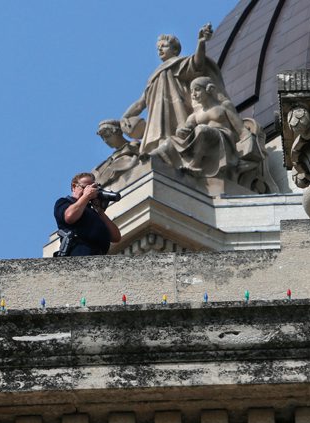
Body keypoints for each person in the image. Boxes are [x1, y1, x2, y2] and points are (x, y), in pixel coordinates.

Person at [121, 23, 226, 156]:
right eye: (158, 48)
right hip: (156, 120)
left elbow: (197, 64)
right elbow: (141, 103)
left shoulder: (179, 63)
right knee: (154, 152)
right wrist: (125, 116)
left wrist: (201, 43)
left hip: (177, 114)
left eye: (163, 46)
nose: (159, 50)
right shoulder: (154, 76)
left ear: (175, 50)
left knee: (175, 142)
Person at [54, 173, 121, 256]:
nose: (89, 191)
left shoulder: (93, 212)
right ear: (74, 187)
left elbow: (116, 237)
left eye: (92, 188)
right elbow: (69, 217)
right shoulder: (65, 202)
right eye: (85, 187)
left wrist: (100, 211)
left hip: (99, 256)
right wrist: (86, 196)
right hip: (79, 253)